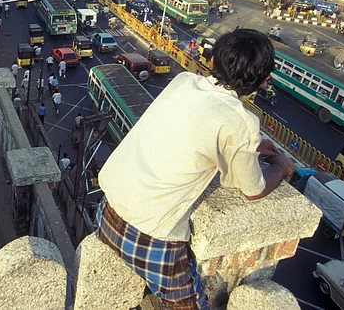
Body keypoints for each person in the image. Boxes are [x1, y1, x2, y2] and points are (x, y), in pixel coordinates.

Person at [96, 29, 295, 309]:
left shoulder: (184, 80)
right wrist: (283, 168)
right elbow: (253, 189)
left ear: (212, 62)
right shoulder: (241, 122)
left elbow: (193, 127)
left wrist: (247, 145)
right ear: (264, 81)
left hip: (107, 213)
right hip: (151, 238)